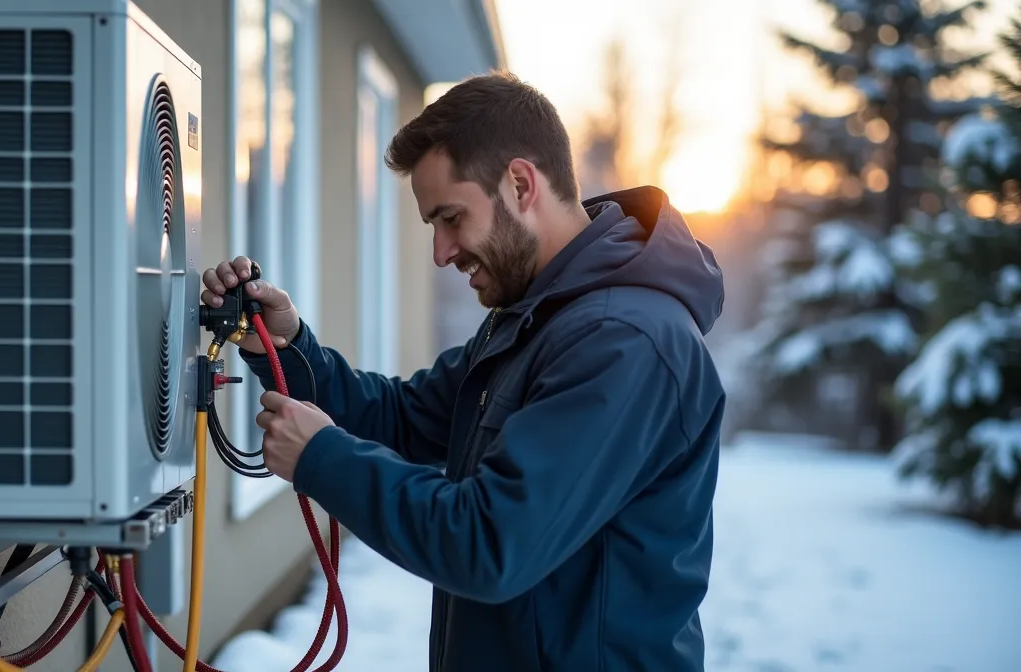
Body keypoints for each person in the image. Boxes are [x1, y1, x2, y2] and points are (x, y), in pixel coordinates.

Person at [200, 70, 725, 671]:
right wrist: (284, 343)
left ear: (521, 184)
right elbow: (402, 416)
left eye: (451, 218)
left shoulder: (623, 341)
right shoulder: (538, 316)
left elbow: (489, 543)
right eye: (433, 226)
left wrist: (321, 457)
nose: (441, 252)